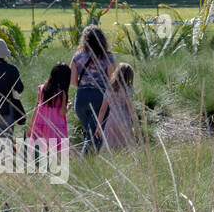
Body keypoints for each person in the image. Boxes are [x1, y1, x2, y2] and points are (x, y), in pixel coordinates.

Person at [71, 25, 115, 154]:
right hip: (100, 98)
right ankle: (86, 165)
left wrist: (85, 86)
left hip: (81, 98)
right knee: (95, 137)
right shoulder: (108, 57)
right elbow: (112, 82)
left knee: (90, 135)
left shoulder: (77, 56)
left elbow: (73, 81)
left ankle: (87, 166)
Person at [28, 62, 70, 156]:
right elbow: (62, 112)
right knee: (55, 154)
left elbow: (37, 107)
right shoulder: (62, 93)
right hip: (56, 126)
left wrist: (31, 126)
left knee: (39, 152)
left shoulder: (42, 89)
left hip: (40, 124)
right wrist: (69, 106)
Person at [99, 63, 139, 150]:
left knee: (110, 149)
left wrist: (98, 127)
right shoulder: (128, 89)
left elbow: (102, 109)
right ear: (130, 77)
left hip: (111, 121)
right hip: (124, 121)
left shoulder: (109, 89)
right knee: (127, 148)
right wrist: (136, 125)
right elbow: (130, 109)